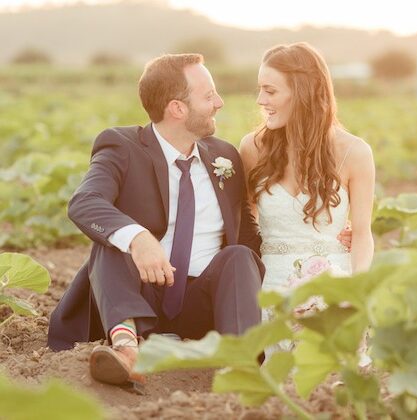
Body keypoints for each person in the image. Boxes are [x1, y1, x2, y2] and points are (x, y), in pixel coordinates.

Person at [47, 54, 266, 386]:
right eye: (208, 96)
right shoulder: (121, 146)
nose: (219, 102)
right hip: (136, 296)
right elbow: (85, 202)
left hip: (201, 306)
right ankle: (126, 349)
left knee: (238, 256)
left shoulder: (225, 156)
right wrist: (139, 238)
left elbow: (247, 234)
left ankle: (242, 365)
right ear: (177, 108)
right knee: (115, 239)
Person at [240, 42, 375, 309]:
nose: (260, 100)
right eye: (260, 90)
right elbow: (245, 224)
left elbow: (361, 234)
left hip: (332, 286)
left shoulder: (355, 153)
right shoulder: (252, 148)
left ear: (303, 93)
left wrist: (355, 294)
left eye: (270, 91)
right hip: (267, 291)